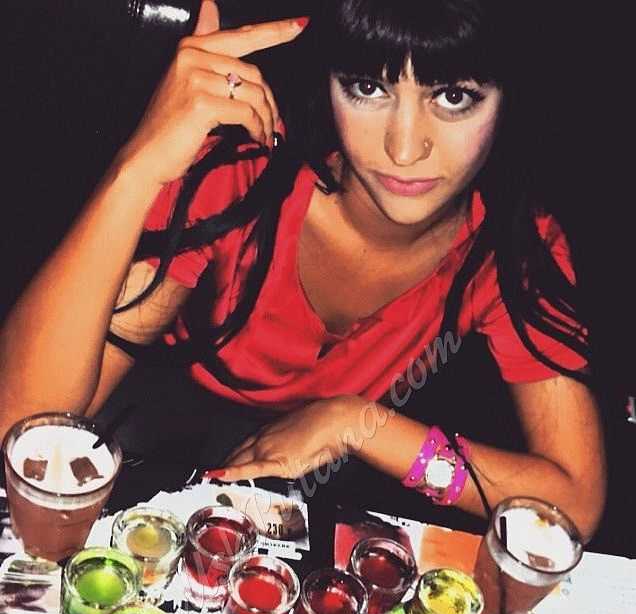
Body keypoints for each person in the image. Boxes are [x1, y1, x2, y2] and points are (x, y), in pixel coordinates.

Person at [0, 0, 605, 539]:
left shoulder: (511, 244)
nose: (404, 148)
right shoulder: (244, 175)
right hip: (157, 437)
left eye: (453, 97)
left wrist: (358, 424)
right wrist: (139, 164)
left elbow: (571, 506)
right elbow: (18, 428)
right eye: (368, 87)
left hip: (335, 479)